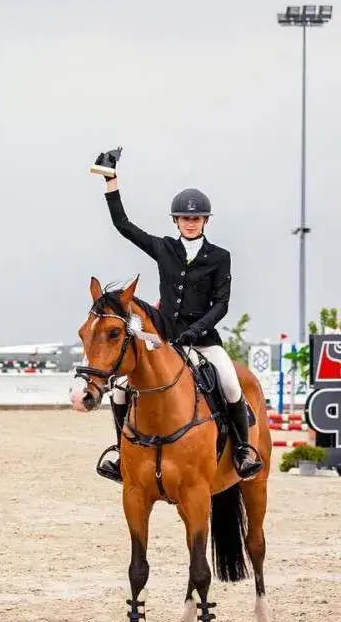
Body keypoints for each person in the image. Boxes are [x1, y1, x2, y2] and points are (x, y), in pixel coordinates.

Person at [92, 153, 262, 482]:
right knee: (121, 389)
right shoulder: (164, 248)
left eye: (196, 218)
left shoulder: (220, 257)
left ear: (205, 222)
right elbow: (123, 226)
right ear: (175, 221)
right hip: (164, 340)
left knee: (230, 383)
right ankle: (120, 451)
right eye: (184, 217)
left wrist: (195, 330)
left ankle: (242, 451)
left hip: (203, 341)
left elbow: (221, 304)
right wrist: (110, 183)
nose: (190, 222)